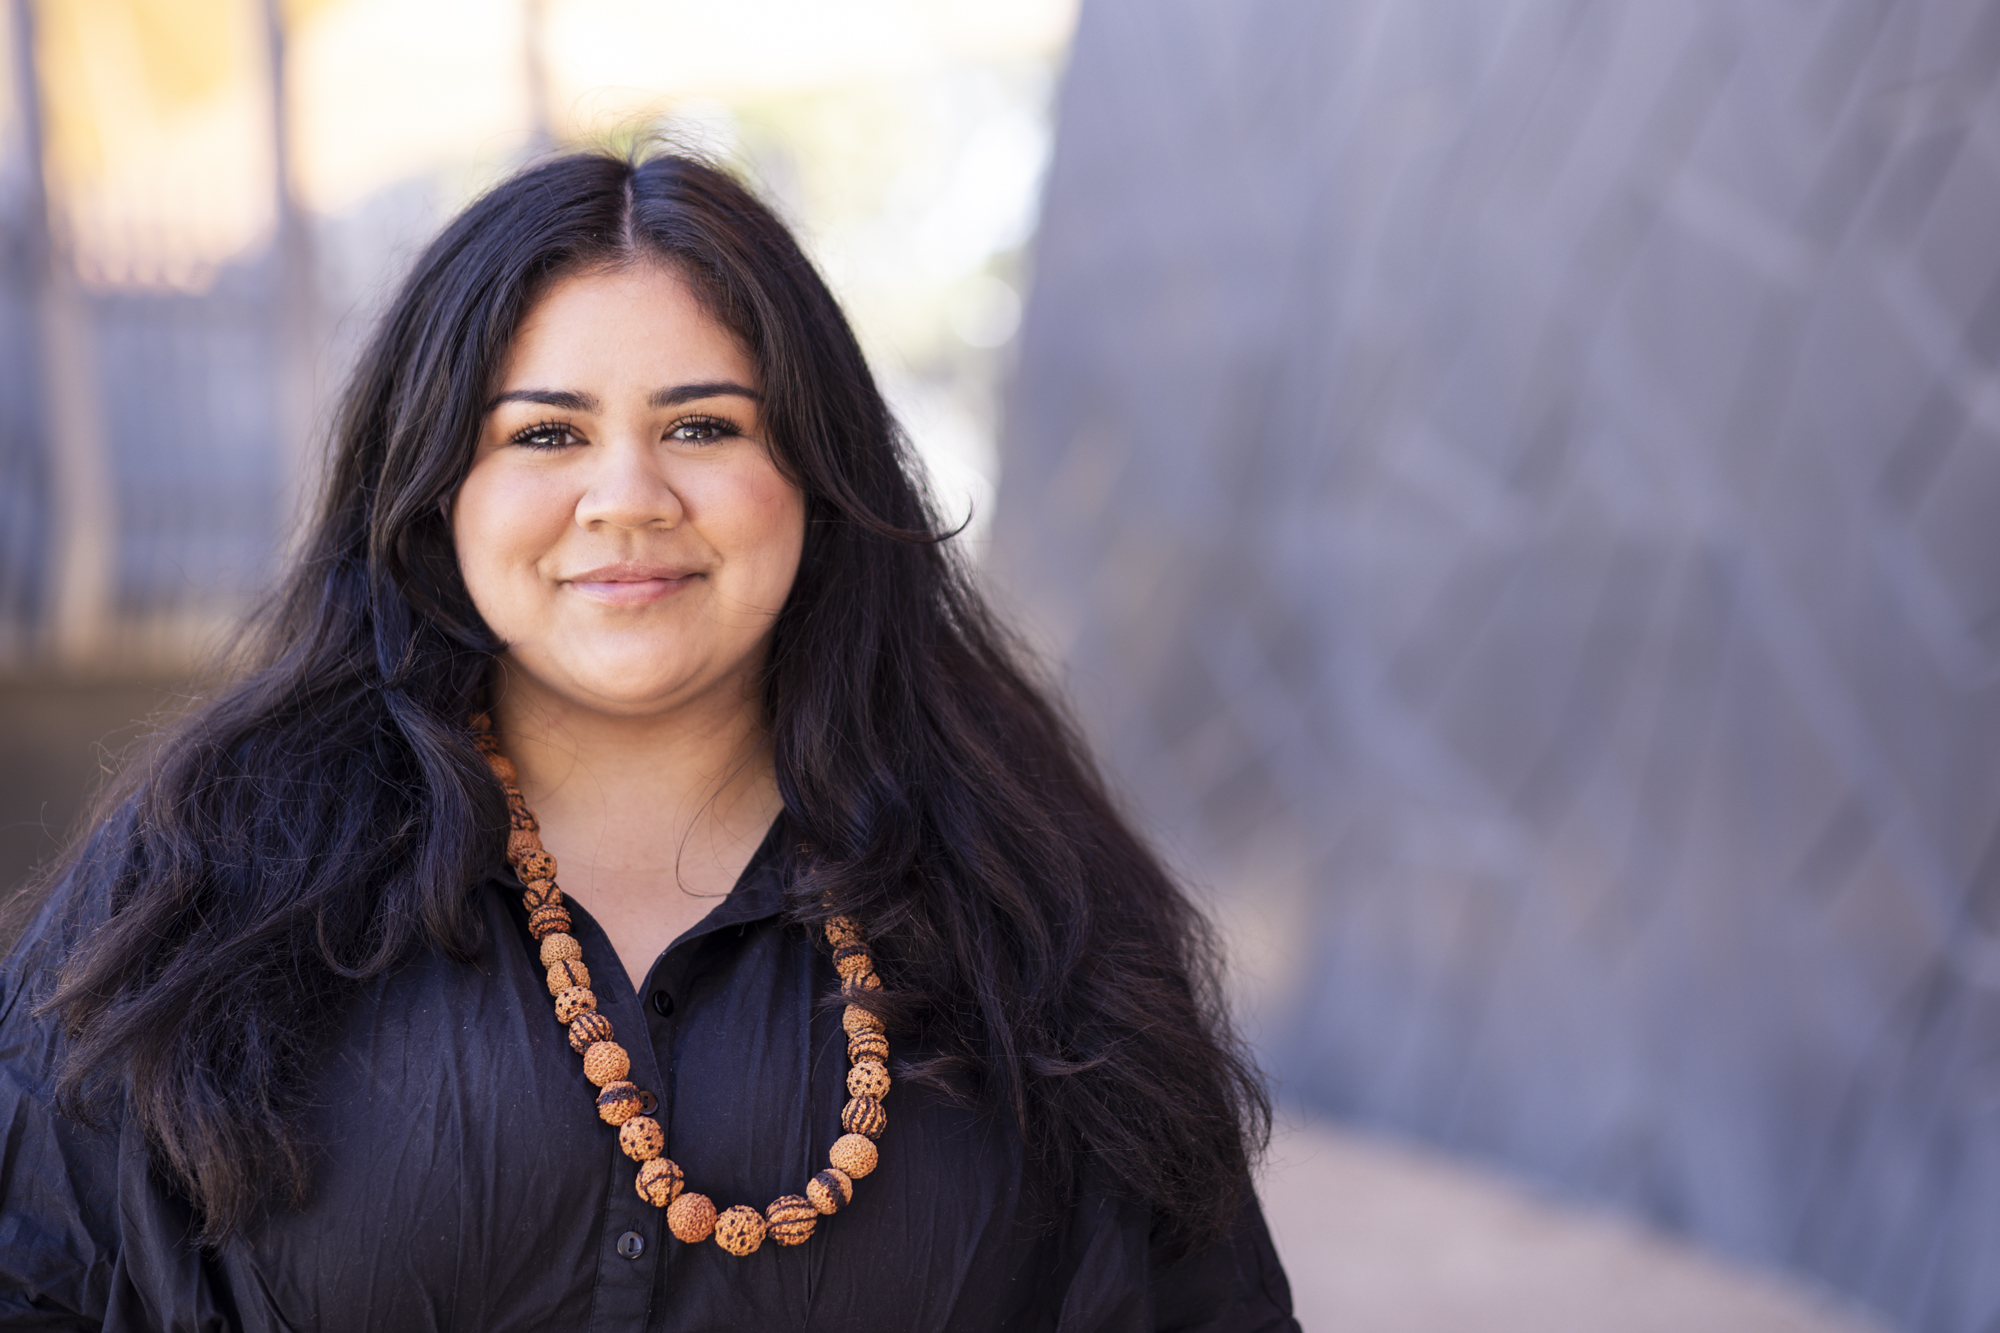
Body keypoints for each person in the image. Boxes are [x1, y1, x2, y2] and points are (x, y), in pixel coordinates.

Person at [0, 151, 1297, 1331]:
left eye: (703, 426)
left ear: (817, 473)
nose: (627, 496)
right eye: (546, 433)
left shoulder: (1038, 910)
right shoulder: (199, 891)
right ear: (436, 489)